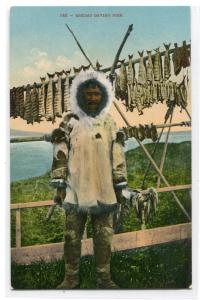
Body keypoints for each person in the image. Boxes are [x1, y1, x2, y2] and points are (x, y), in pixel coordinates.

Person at [50, 70, 127, 289]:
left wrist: (120, 185)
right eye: (88, 93)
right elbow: (60, 153)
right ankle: (71, 277)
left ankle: (104, 278)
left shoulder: (109, 123)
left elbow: (118, 155)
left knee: (103, 238)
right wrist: (59, 186)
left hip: (104, 190)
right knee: (71, 237)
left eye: (96, 94)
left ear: (103, 96)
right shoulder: (69, 121)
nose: (92, 98)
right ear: (80, 95)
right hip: (75, 190)